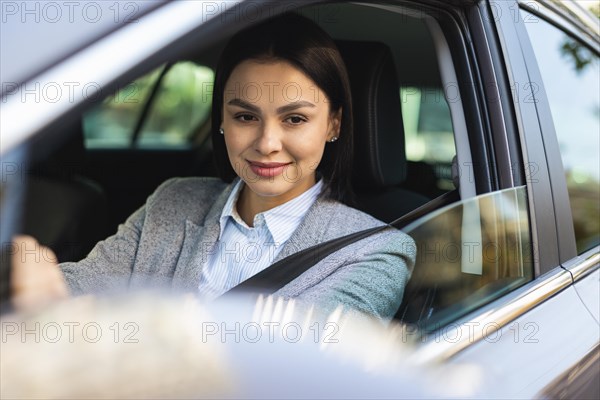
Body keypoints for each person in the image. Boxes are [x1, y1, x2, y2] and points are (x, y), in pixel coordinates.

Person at [11, 14, 415, 319]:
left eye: (294, 119)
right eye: (245, 117)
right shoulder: (174, 200)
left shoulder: (375, 251)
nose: (267, 144)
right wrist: (32, 284)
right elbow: (82, 286)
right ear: (221, 119)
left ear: (333, 124)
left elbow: (298, 362)